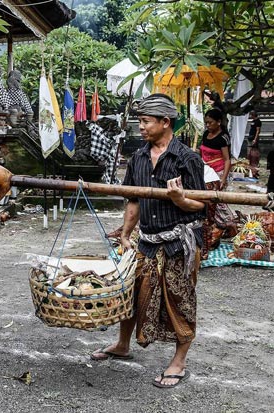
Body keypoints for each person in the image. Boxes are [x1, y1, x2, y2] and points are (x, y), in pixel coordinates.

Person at [91, 94, 206, 389]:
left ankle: (179, 362)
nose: (140, 127)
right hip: (147, 242)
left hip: (178, 243)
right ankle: (122, 344)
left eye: (145, 121)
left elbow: (202, 206)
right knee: (131, 295)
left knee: (180, 301)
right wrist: (127, 234)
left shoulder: (187, 159)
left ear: (165, 123)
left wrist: (181, 199)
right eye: (139, 121)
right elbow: (133, 199)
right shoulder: (139, 158)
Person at [200, 109, 237, 237]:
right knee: (209, 202)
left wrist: (223, 179)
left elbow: (227, 160)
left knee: (219, 202)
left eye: (210, 122)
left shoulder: (222, 138)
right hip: (206, 172)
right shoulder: (205, 134)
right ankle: (217, 226)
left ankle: (231, 224)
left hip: (219, 172)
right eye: (206, 123)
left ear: (219, 122)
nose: (208, 125)